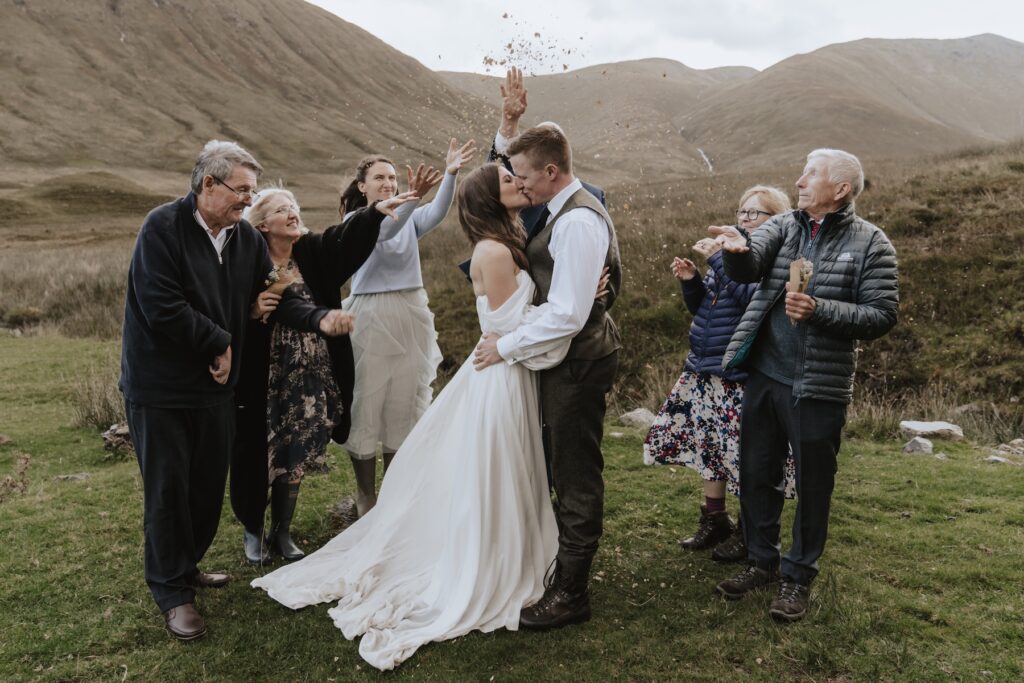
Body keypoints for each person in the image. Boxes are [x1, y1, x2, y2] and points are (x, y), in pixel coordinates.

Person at [252, 162, 600, 671]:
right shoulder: (495, 251)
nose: (519, 183)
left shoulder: (501, 244)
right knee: (498, 466)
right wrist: (577, 300)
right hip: (503, 372)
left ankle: (518, 548)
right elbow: (515, 324)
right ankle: (493, 558)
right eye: (508, 181)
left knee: (504, 465)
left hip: (505, 366)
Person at [710, 149, 899, 622]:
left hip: (818, 386)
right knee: (756, 474)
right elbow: (751, 266)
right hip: (766, 375)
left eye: (811, 174)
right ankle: (761, 560)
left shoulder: (873, 244)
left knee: (814, 487)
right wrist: (736, 253)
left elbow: (881, 316)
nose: (799, 180)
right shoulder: (784, 226)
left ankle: (797, 578)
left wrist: (821, 311)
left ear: (840, 190)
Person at [119, 140, 273, 641]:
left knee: (206, 488)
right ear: (209, 183)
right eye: (242, 190)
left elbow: (264, 294)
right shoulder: (161, 227)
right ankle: (172, 593)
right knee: (168, 490)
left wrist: (318, 315)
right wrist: (220, 339)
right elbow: (160, 304)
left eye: (252, 192)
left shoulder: (246, 239)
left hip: (215, 391)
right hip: (160, 388)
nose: (249, 200)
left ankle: (186, 566)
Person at [473, 124, 622, 631]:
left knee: (576, 471)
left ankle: (571, 594)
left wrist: (504, 346)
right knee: (560, 463)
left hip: (578, 362)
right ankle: (556, 568)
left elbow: (567, 316)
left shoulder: (578, 221)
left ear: (551, 172)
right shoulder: (560, 211)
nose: (520, 184)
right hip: (564, 357)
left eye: (522, 175)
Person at [230, 186, 416, 565]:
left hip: (310, 377)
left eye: (295, 206)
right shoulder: (247, 260)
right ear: (264, 224)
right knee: (256, 453)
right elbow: (225, 308)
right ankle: (254, 529)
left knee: (294, 452)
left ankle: (282, 530)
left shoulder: (311, 251)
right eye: (283, 210)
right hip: (263, 377)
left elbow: (343, 240)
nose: (293, 213)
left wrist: (374, 212)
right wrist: (250, 311)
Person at [643, 186, 796, 563]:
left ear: (774, 220)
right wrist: (692, 281)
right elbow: (705, 308)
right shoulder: (731, 253)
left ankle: (749, 531)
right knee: (711, 449)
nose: (743, 219)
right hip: (706, 366)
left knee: (742, 455)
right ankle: (715, 521)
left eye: (753, 214)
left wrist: (720, 264)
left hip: (739, 374)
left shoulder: (769, 256)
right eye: (741, 212)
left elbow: (752, 303)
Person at [340, 139, 477, 517]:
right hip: (370, 317)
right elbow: (381, 232)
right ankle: (366, 494)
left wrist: (450, 173)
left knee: (405, 403)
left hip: (410, 311)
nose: (388, 181)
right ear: (362, 186)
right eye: (379, 177)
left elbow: (435, 214)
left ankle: (397, 491)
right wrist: (413, 195)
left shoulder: (409, 215)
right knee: (367, 403)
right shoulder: (356, 222)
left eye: (393, 176)